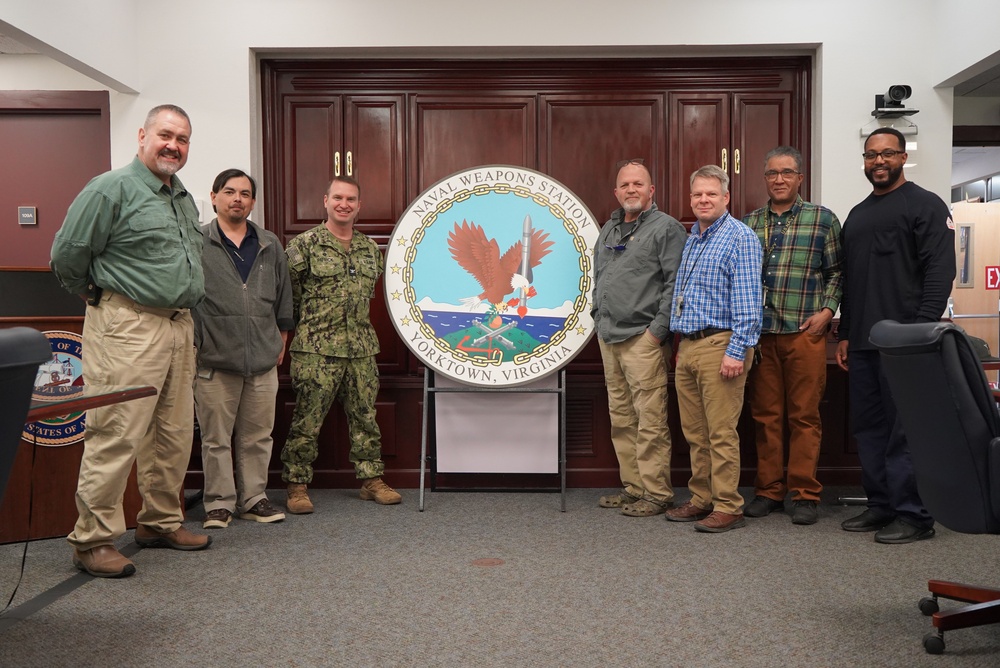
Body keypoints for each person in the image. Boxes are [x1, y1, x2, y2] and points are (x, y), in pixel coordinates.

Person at [50, 104, 210, 578]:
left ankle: (159, 522)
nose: (173, 146)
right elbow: (67, 256)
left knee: (173, 432)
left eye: (182, 139)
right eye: (165, 135)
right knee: (116, 431)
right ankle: (93, 540)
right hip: (128, 325)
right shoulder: (110, 188)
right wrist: (100, 297)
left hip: (179, 325)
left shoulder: (181, 196)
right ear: (142, 135)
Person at [835, 127, 956, 544]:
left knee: (907, 430)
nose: (878, 162)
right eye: (871, 155)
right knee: (869, 428)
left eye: (887, 154)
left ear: (904, 158)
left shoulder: (925, 205)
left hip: (909, 344)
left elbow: (940, 273)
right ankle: (881, 505)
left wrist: (920, 331)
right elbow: (851, 283)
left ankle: (915, 515)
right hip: (866, 344)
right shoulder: (857, 215)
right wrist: (846, 334)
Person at [281, 175, 401, 512]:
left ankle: (371, 479)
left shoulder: (369, 250)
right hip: (316, 349)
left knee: (365, 416)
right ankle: (297, 484)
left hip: (361, 349)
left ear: (358, 205)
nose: (343, 204)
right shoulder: (303, 246)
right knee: (307, 420)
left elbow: (369, 297)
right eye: (337, 198)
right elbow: (289, 299)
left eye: (350, 199)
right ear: (325, 200)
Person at [742, 146, 844, 526]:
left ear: (800, 178)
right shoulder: (749, 223)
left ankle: (804, 493)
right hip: (762, 335)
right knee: (766, 416)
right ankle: (769, 490)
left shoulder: (822, 220)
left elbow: (837, 272)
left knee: (804, 416)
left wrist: (828, 311)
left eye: (787, 172)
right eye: (772, 173)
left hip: (805, 333)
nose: (779, 179)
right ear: (764, 178)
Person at [193, 169, 294, 529]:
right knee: (216, 438)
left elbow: (284, 297)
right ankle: (219, 503)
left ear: (252, 201)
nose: (238, 199)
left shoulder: (269, 244)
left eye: (246, 194)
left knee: (257, 435)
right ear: (215, 196)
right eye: (230, 192)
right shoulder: (196, 242)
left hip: (263, 360)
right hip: (214, 360)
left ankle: (254, 498)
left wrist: (282, 336)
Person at [665, 165, 762, 533]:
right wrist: (681, 344)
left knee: (720, 432)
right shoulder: (694, 237)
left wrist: (737, 350)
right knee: (695, 432)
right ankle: (702, 498)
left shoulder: (741, 238)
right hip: (690, 345)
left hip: (723, 344)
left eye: (711, 194)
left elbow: (750, 303)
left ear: (726, 198)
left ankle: (728, 505)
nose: (703, 200)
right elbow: (685, 296)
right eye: (697, 195)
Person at [592, 159, 686, 517]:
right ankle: (634, 488)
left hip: (642, 339)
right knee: (622, 418)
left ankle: (657, 493)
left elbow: (675, 285)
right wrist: (598, 317)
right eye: (625, 185)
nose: (632, 190)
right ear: (617, 193)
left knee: (650, 421)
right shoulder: (610, 228)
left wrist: (656, 333)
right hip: (609, 337)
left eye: (638, 184)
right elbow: (599, 274)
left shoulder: (667, 229)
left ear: (651, 190)